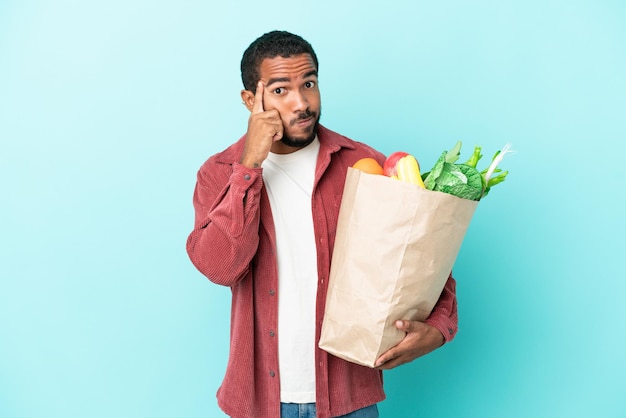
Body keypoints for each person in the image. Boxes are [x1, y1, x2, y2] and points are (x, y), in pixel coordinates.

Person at [186, 30, 458, 418]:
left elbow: (425, 257)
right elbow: (220, 266)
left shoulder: (363, 165)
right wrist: (249, 167)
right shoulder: (220, 173)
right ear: (251, 101)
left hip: (350, 399)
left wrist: (439, 327)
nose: (302, 103)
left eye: (309, 84)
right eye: (280, 90)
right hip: (260, 403)